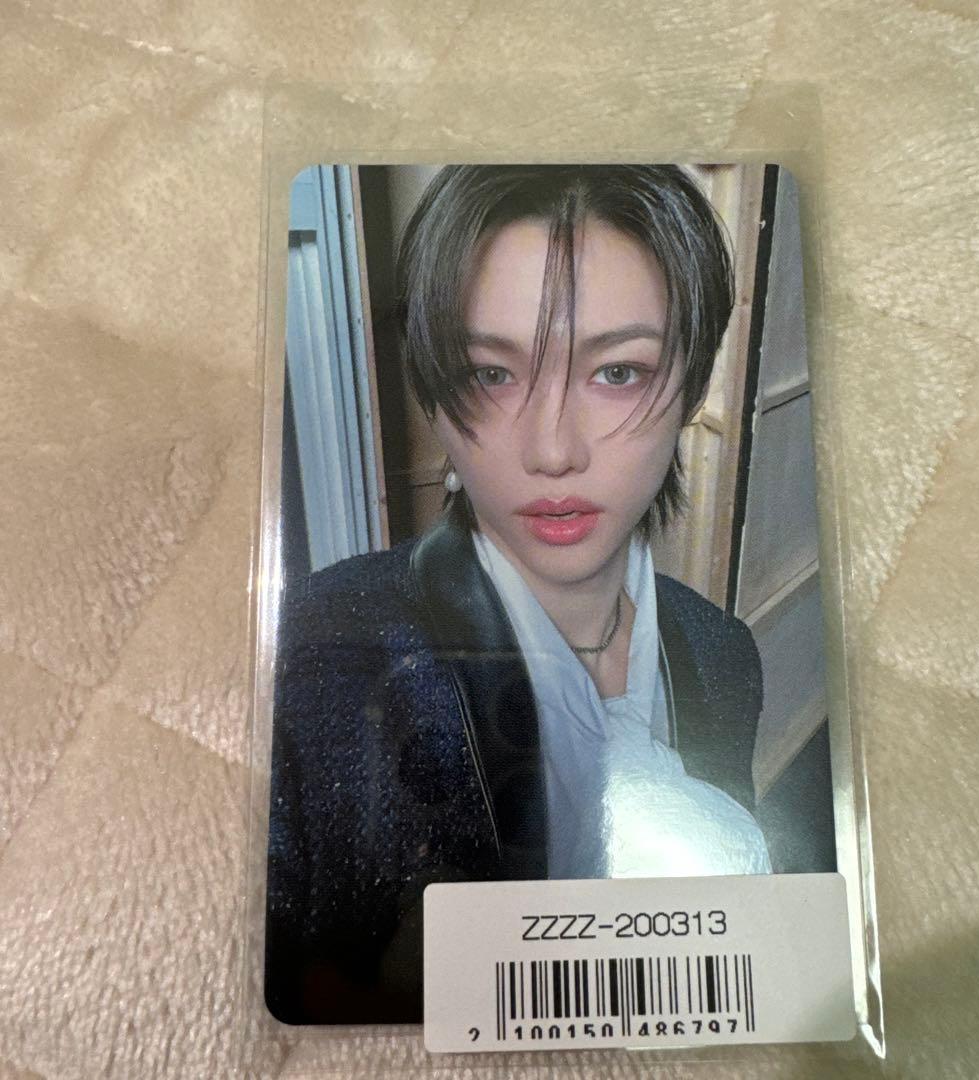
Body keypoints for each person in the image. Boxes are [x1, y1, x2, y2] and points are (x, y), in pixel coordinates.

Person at [267, 165, 774, 1025]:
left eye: (618, 372)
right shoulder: (307, 662)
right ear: (435, 394)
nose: (552, 450)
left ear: (691, 385)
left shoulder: (722, 654)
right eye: (491, 375)